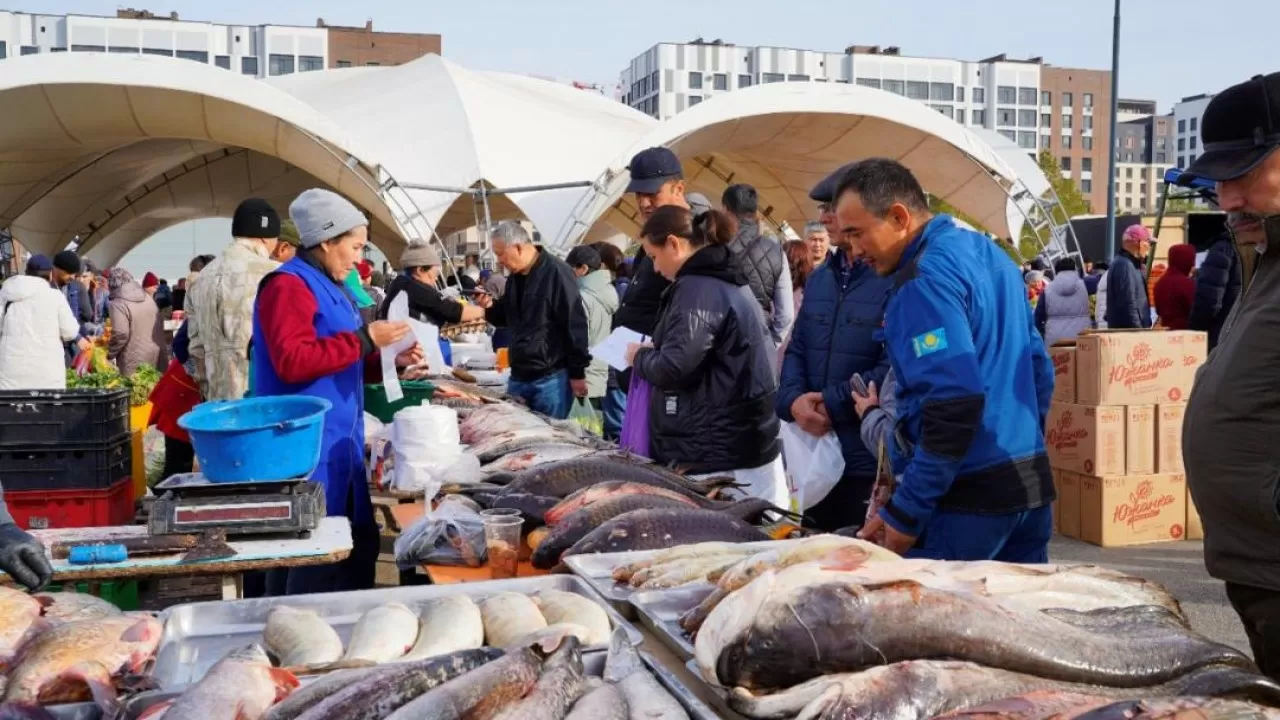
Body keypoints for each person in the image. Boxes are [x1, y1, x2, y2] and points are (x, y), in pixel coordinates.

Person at [830, 159, 1054, 561]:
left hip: (964, 504)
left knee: (944, 622)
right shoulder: (992, 256)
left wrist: (906, 512)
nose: (854, 250)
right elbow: (1039, 371)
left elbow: (953, 405)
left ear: (898, 216)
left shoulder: (923, 282)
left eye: (856, 234)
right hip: (1027, 489)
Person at [252, 188, 421, 595]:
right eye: (355, 246)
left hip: (337, 445)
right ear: (326, 240)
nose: (359, 258)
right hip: (304, 448)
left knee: (344, 553)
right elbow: (292, 360)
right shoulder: (288, 285)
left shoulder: (332, 285)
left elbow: (338, 358)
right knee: (310, 564)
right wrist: (365, 339)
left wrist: (388, 361)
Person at [1181, 71, 1280, 679]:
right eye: (1219, 180)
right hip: (1258, 569)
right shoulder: (1265, 256)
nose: (1227, 198)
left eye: (1242, 173)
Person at [625, 206, 785, 504]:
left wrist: (638, 357)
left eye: (654, 256)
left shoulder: (696, 288)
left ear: (674, 243)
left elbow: (675, 367)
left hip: (718, 451)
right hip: (739, 440)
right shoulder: (721, 279)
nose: (656, 268)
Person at [778, 169, 893, 530]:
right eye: (823, 208)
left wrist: (830, 401)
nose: (827, 217)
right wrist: (793, 401)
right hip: (811, 452)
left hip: (863, 451)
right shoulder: (822, 278)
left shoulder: (889, 276)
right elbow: (798, 347)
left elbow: (891, 367)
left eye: (834, 207)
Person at [474, 221, 590, 419]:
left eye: (501, 253)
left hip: (550, 379)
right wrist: (489, 306)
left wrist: (577, 372)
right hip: (519, 375)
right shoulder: (514, 278)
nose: (499, 261)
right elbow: (505, 317)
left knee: (550, 441)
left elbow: (575, 324)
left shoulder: (557, 272)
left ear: (518, 247)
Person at [187, 198, 284, 401]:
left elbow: (195, 346)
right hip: (262, 398)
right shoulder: (273, 274)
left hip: (217, 401)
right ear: (266, 238)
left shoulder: (201, 278)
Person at [0, 255, 88, 390]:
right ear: (51, 275)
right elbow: (70, 332)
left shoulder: (7, 293)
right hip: (47, 373)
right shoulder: (55, 297)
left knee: (13, 408)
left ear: (27, 271)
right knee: (45, 409)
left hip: (11, 370)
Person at [720, 184, 793, 347]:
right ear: (754, 212)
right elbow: (786, 315)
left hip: (716, 340)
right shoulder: (777, 252)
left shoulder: (713, 244)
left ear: (725, 209)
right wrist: (771, 344)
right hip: (756, 342)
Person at [566, 244, 619, 412]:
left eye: (570, 269)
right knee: (592, 430)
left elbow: (577, 341)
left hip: (581, 377)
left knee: (578, 433)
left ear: (583, 269)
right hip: (598, 374)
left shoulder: (582, 298)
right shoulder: (608, 292)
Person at [379, 244, 485, 326]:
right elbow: (452, 311)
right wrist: (487, 312)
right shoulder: (414, 288)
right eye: (434, 273)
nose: (435, 278)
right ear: (420, 270)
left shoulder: (400, 282)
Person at [106, 268, 167, 377]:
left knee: (136, 391)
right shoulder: (148, 298)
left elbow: (121, 333)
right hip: (157, 354)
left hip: (133, 358)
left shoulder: (118, 303)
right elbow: (160, 321)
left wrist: (109, 353)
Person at [1189, 233, 1241, 349]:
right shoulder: (1268, 249)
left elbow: (1209, 301)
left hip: (1222, 335)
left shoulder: (1225, 249)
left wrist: (1195, 329)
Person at [1104, 224, 1154, 329]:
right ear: (1138, 243)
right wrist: (1138, 332)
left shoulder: (1130, 265)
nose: (1149, 247)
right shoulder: (1125, 266)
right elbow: (1128, 304)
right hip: (1130, 335)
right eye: (1148, 243)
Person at [1034, 257, 1093, 345]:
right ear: (1075, 270)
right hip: (1082, 337)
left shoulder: (1047, 289)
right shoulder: (1085, 284)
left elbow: (1038, 317)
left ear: (1056, 271)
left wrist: (1042, 332)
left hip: (1055, 340)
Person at [51, 250, 93, 361]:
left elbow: (77, 317)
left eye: (75, 274)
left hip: (70, 344)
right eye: (69, 273)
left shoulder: (73, 286)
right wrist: (78, 337)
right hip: (54, 345)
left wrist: (83, 334)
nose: (72, 277)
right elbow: (57, 319)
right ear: (57, 268)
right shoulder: (47, 289)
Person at [1153, 243, 1196, 330]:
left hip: (1166, 334)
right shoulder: (1186, 284)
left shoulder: (1160, 283)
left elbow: (1159, 311)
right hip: (1184, 335)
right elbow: (1195, 310)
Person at [1093, 261, 1110, 329]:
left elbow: (1098, 304)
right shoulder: (1111, 280)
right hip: (1108, 320)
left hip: (1101, 319)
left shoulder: (1101, 282)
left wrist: (1096, 319)